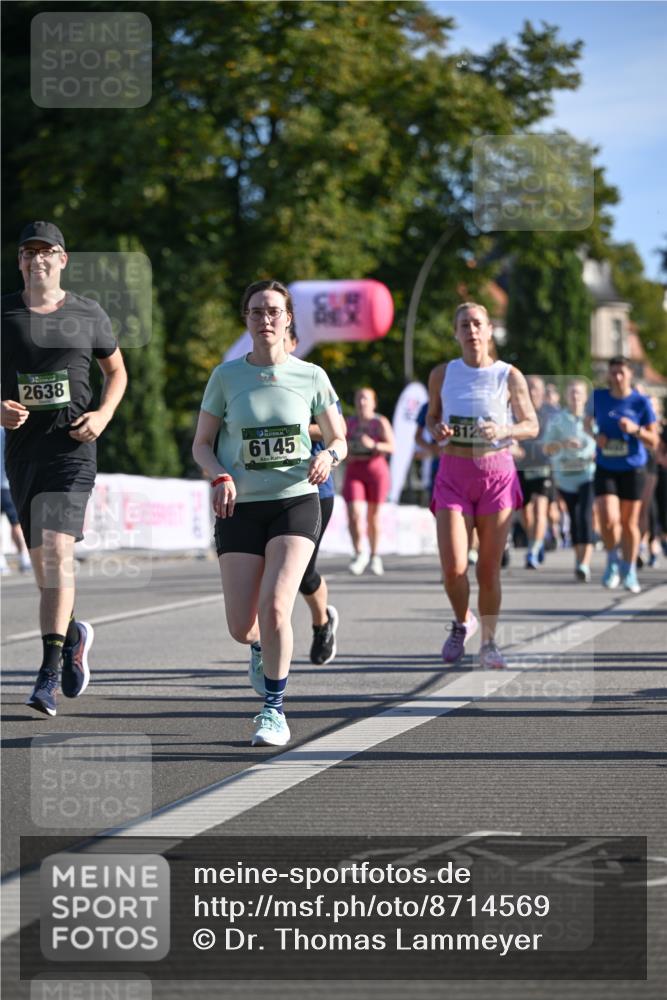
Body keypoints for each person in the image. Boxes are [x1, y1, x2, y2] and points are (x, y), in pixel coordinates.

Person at [192, 279, 346, 747]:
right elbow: (201, 444)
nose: (266, 320)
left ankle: (274, 711)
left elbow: (339, 437)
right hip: (240, 505)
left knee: (277, 603)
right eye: (257, 311)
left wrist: (329, 456)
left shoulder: (313, 376)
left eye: (274, 311)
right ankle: (261, 647)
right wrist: (219, 475)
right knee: (242, 626)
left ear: (289, 319)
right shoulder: (225, 377)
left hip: (296, 500)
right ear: (247, 319)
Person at [1, 221, 127, 716]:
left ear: (63, 259)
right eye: (28, 252)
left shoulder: (87, 312)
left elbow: (115, 370)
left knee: (56, 553)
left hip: (73, 450)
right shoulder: (4, 312)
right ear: (19, 262)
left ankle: (47, 675)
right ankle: (72, 633)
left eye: (46, 251)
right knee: (45, 572)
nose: (37, 260)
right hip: (23, 453)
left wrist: (104, 414)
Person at [427, 302, 538, 669]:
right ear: (456, 332)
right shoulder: (443, 374)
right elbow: (431, 417)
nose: (471, 330)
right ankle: (462, 622)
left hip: (496, 474)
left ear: (489, 330)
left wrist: (505, 429)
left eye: (478, 324)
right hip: (454, 473)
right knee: (453, 568)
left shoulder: (509, 375)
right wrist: (437, 428)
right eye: (464, 324)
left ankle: (489, 643)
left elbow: (531, 425)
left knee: (488, 569)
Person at [284, 327, 340, 665]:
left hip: (315, 490)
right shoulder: (250, 379)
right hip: (267, 490)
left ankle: (322, 623)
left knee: (302, 572)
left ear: (294, 343)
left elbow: (336, 429)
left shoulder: (311, 379)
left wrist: (294, 426)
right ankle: (265, 647)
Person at [585, 356, 658, 593]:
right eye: (613, 372)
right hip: (606, 465)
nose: (616, 377)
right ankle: (612, 560)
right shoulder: (599, 397)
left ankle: (630, 570)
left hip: (633, 467)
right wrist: (596, 437)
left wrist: (635, 429)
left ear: (630, 375)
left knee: (629, 523)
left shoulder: (641, 402)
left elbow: (654, 440)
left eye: (621, 373)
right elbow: (587, 422)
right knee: (607, 518)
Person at [543, 379, 596, 582]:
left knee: (585, 515)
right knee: (574, 518)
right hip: (565, 476)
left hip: (588, 474)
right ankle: (579, 560)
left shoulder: (591, 420)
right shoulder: (558, 420)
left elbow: (602, 441)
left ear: (584, 397)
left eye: (579, 393)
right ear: (566, 396)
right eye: (572, 393)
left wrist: (595, 451)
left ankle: (585, 563)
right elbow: (546, 448)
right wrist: (563, 443)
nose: (575, 397)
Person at [343, 387, 394, 576]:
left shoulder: (379, 422)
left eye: (366, 399)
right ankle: (358, 553)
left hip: (376, 471)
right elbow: (339, 444)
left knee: (373, 516)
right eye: (359, 399)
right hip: (355, 470)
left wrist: (373, 445)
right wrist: (345, 451)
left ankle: (374, 555)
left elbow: (392, 446)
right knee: (354, 513)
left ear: (374, 402)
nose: (362, 402)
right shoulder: (349, 423)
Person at [516, 375, 559, 569]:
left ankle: (533, 550)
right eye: (529, 387)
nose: (532, 391)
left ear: (542, 392)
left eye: (536, 388)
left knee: (540, 508)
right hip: (522, 466)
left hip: (544, 467)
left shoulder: (552, 414)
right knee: (525, 514)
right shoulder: (517, 412)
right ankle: (537, 539)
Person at [0, 425, 32, 574]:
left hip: (6, 483)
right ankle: (23, 558)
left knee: (16, 524)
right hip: (7, 483)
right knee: (16, 524)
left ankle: (3, 561)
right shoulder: (8, 431)